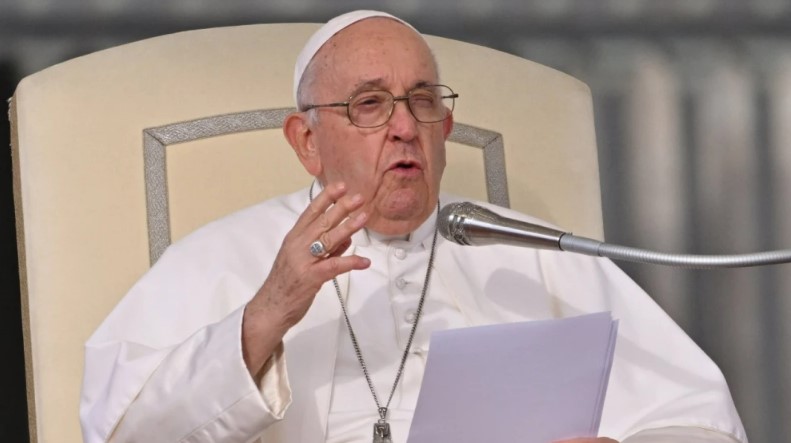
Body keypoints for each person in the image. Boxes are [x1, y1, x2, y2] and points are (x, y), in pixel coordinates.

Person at [80, 10, 747, 443]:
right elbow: (122, 433)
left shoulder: (535, 254)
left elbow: (700, 420)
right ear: (306, 141)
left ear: (444, 128)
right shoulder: (220, 258)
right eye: (369, 104)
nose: (403, 125)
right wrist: (263, 318)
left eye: (421, 101)